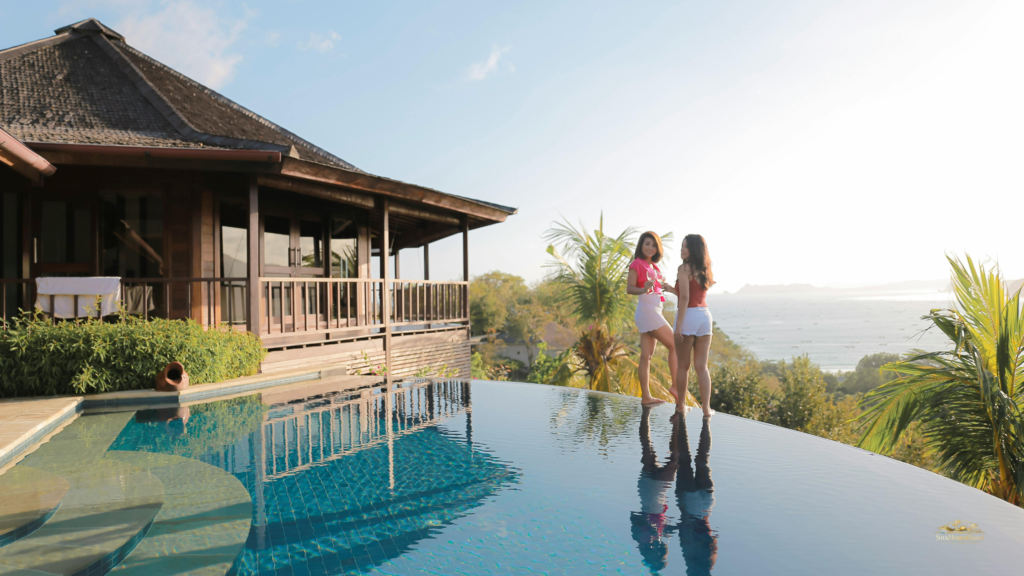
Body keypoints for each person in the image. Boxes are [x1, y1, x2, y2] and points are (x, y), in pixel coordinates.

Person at [626, 232, 678, 405]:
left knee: (646, 356)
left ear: (657, 249)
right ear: (641, 245)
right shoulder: (637, 264)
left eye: (653, 245)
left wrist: (665, 287)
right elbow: (630, 288)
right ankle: (676, 386)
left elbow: (655, 289)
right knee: (675, 345)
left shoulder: (655, 268)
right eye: (647, 244)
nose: (650, 248)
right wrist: (643, 288)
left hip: (653, 310)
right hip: (647, 311)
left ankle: (646, 397)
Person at [630, 405, 680, 573]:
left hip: (654, 490)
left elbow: (635, 518)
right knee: (647, 447)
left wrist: (651, 529)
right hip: (646, 489)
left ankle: (677, 422)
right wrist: (673, 528)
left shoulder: (643, 539)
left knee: (675, 460)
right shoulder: (653, 538)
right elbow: (655, 520)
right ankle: (646, 414)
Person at [671, 234, 716, 417]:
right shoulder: (705, 269)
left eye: (686, 247)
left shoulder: (684, 268)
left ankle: (681, 406)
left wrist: (679, 325)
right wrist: (671, 289)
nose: (682, 250)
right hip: (704, 317)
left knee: (683, 366)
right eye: (682, 246)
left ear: (694, 249)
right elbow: (690, 293)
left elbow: (685, 298)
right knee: (702, 367)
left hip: (688, 316)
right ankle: (706, 409)